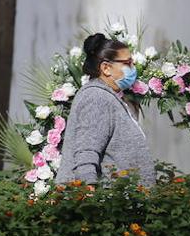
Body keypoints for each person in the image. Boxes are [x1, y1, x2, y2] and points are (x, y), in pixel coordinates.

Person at [55, 33, 156, 188]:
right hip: (106, 207)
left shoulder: (108, 96)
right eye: (127, 63)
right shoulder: (97, 97)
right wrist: (89, 197)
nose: (133, 69)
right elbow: (86, 153)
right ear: (106, 68)